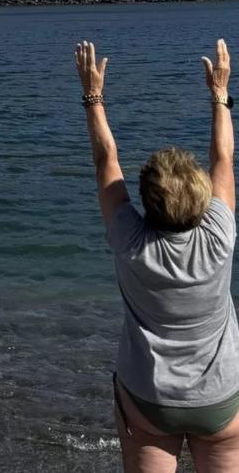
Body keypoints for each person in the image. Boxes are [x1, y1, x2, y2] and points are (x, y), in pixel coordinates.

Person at [76, 39, 239, 472]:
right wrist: (220, 93)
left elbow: (104, 159)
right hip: (220, 397)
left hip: (150, 398)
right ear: (203, 200)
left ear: (146, 202)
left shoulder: (129, 239)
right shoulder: (220, 233)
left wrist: (94, 96)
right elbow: (223, 157)